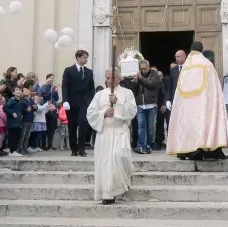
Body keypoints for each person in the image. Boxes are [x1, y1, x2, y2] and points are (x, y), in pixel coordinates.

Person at [167, 41, 228, 160]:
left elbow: (179, 89)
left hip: (187, 104)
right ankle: (211, 150)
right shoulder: (206, 64)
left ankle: (187, 151)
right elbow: (214, 86)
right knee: (205, 124)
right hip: (204, 102)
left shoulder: (185, 67)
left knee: (189, 126)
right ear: (202, 50)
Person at [87, 68, 136, 205]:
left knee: (120, 156)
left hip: (120, 130)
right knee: (106, 163)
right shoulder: (100, 94)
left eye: (112, 78)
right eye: (107, 78)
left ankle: (121, 183)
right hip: (105, 132)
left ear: (119, 78)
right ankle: (108, 194)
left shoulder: (127, 93)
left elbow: (132, 111)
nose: (110, 81)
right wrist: (103, 112)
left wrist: (118, 103)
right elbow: (91, 113)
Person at [61, 50, 95, 157]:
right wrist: (65, 100)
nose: (86, 59)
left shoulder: (89, 71)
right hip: (71, 102)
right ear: (78, 58)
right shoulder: (69, 70)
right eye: (84, 57)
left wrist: (91, 100)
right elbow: (65, 86)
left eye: (86, 57)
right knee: (72, 126)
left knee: (83, 124)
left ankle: (81, 148)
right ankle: (74, 149)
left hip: (84, 102)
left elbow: (91, 88)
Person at [128, 60, 163, 155]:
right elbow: (133, 89)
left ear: (149, 67)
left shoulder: (154, 75)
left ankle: (149, 145)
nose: (143, 70)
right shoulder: (138, 76)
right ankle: (141, 146)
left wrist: (140, 77)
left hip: (151, 105)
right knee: (141, 126)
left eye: (145, 68)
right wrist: (135, 80)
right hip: (140, 105)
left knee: (151, 127)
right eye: (141, 69)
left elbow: (151, 84)